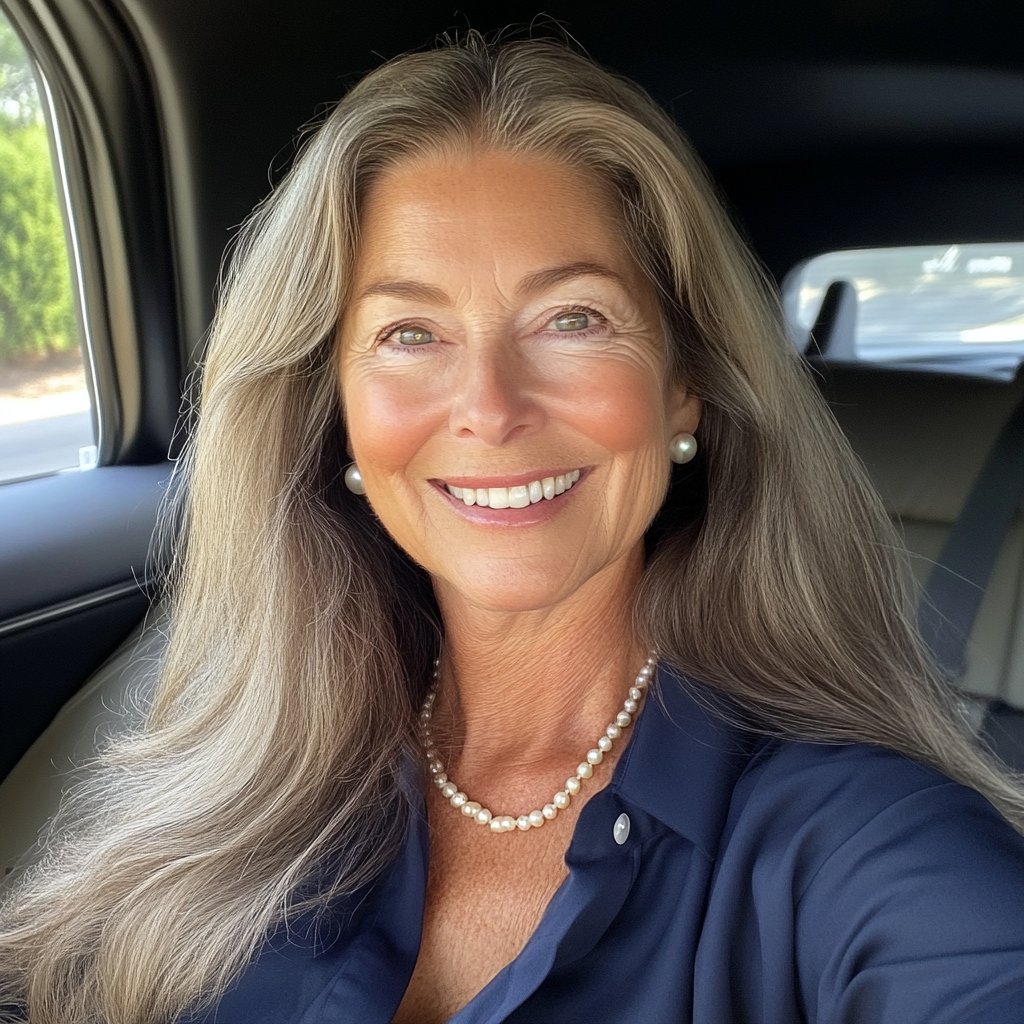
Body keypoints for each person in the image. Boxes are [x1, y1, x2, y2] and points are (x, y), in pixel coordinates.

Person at [2, 31, 1024, 1024]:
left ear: (684, 386)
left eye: (572, 319)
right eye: (410, 333)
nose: (489, 408)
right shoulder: (243, 776)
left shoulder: (851, 835)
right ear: (338, 412)